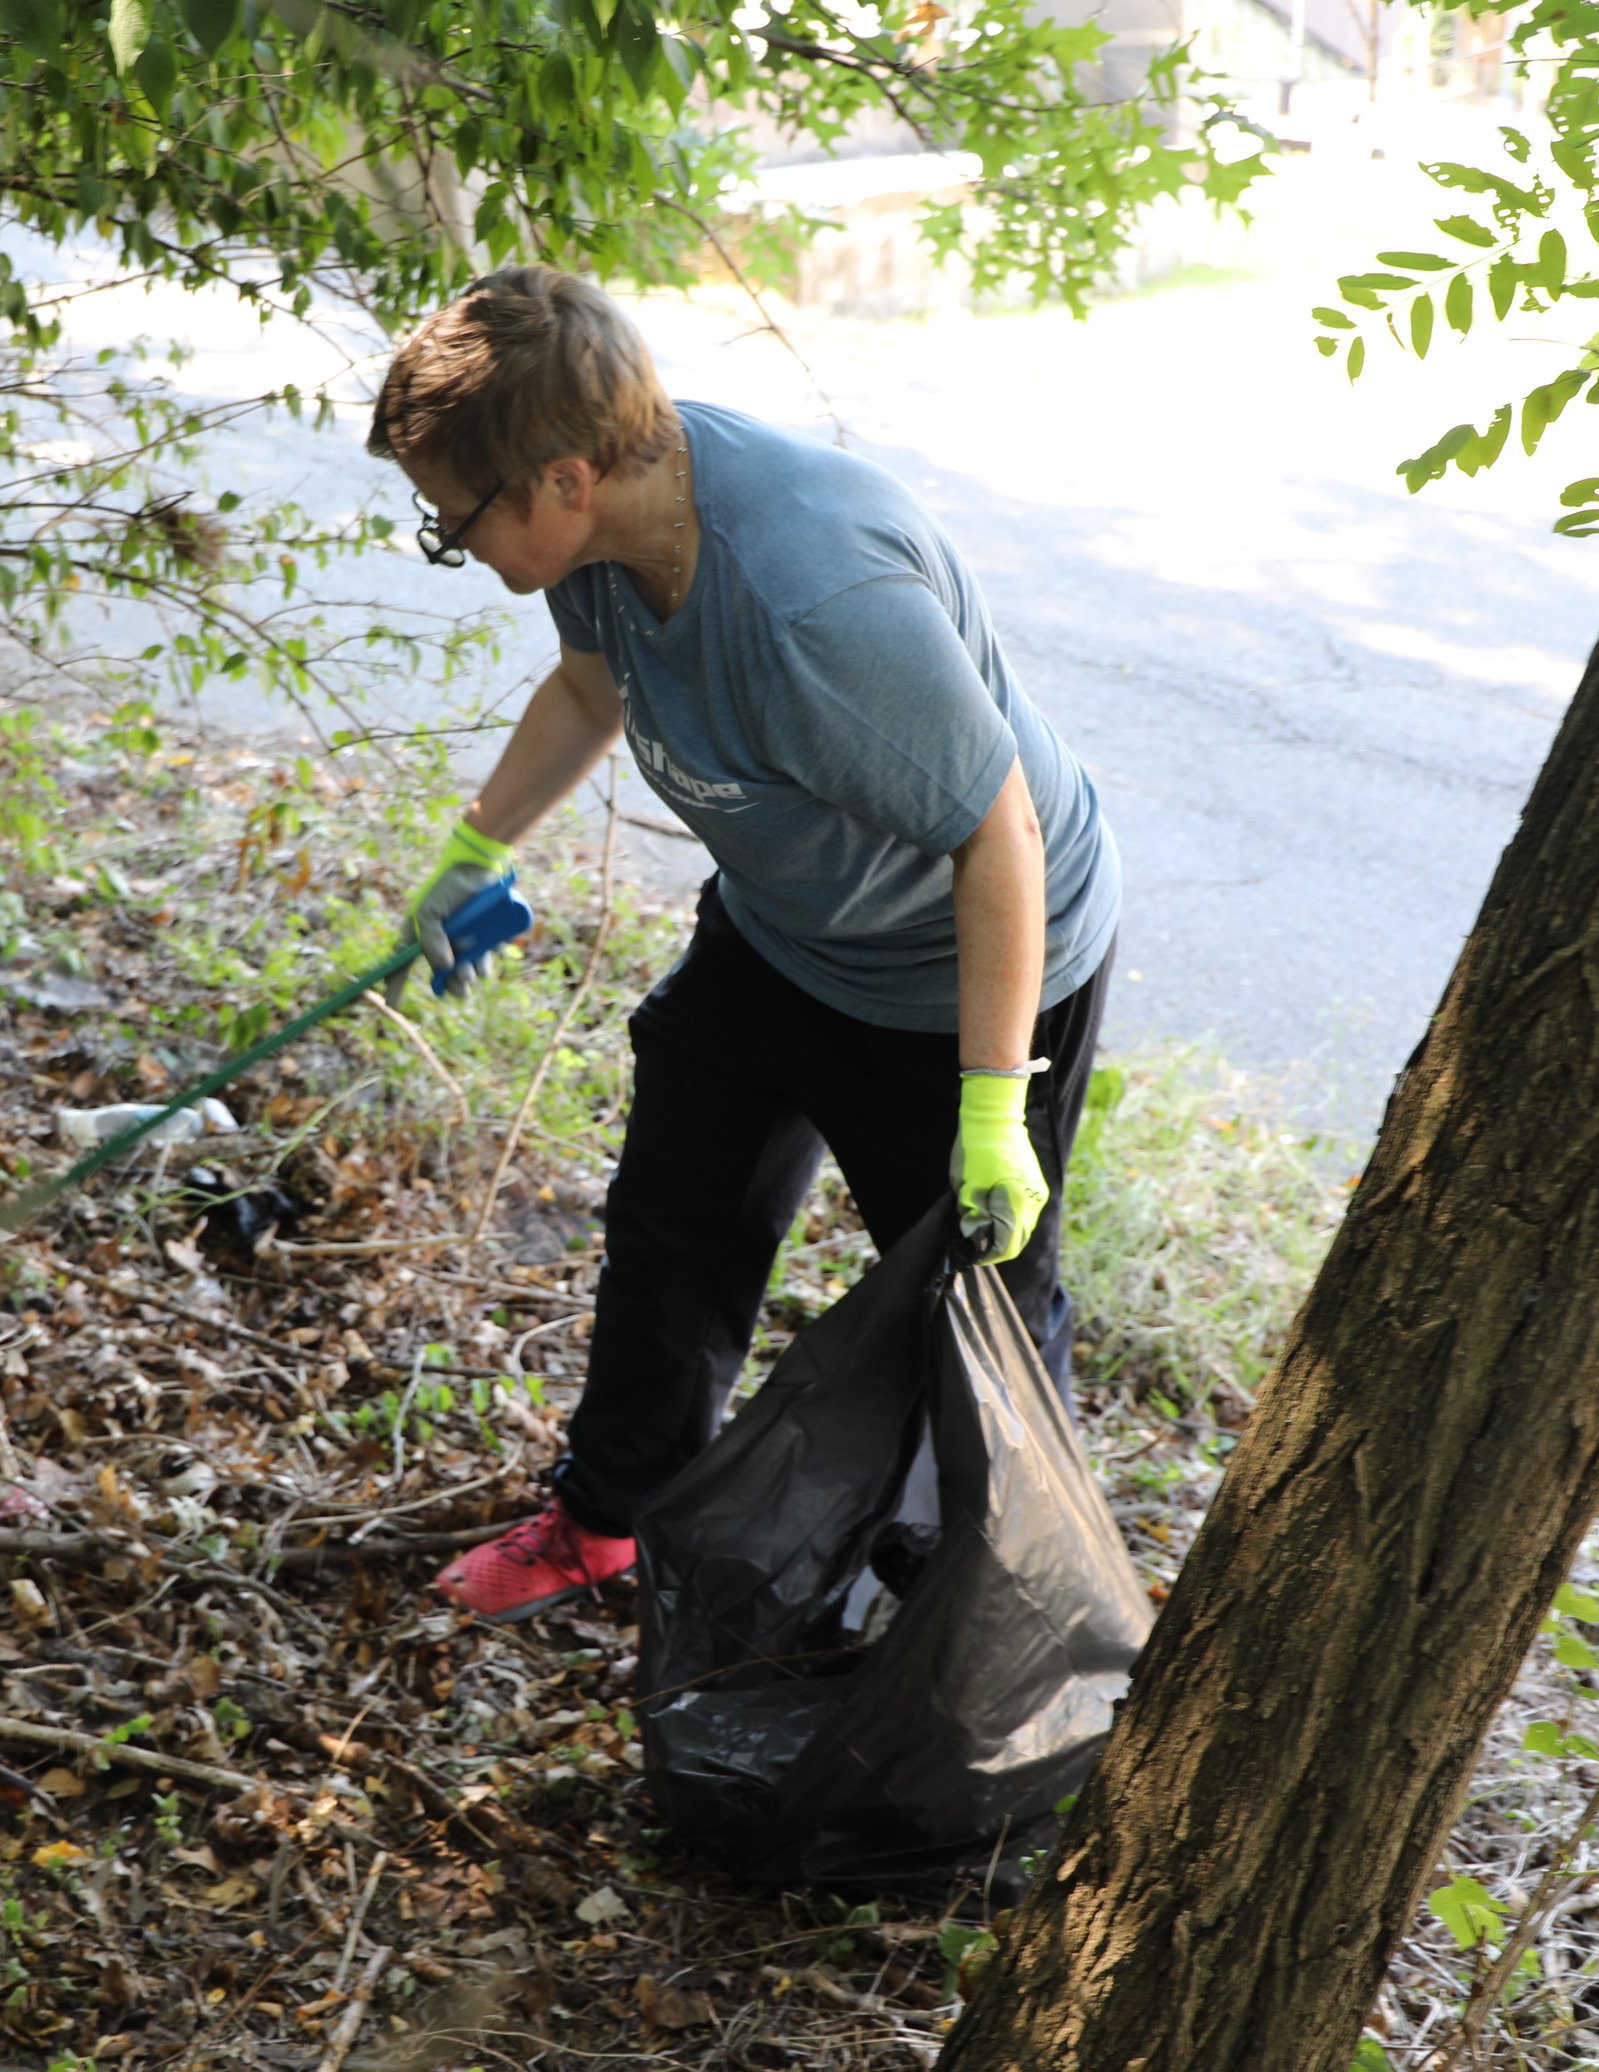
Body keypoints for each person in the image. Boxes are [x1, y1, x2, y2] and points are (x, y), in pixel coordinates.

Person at [365, 265, 1120, 1621]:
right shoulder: (607, 532)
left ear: (562, 478)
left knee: (976, 1315)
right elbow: (593, 683)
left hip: (962, 972)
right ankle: (612, 1516)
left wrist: (994, 1106)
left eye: (456, 520)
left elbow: (996, 836)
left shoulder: (810, 607)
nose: (455, 542)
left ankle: (1007, 1621)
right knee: (675, 1222)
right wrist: (477, 851)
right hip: (782, 931)